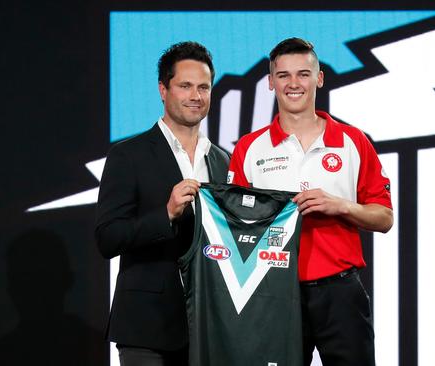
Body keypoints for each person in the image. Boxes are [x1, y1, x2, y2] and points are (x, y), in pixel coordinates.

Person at [227, 37, 393, 366]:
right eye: (284, 75)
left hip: (341, 292)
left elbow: (384, 217)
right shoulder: (249, 149)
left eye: (303, 74)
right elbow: (232, 227)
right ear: (271, 82)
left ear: (319, 78)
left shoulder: (353, 142)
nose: (293, 84)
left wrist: (341, 206)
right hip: (273, 292)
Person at [95, 41, 229, 366]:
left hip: (209, 327)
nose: (195, 96)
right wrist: (166, 214)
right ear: (163, 89)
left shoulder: (223, 161)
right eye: (185, 86)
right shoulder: (128, 155)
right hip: (146, 327)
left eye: (203, 87)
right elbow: (108, 238)